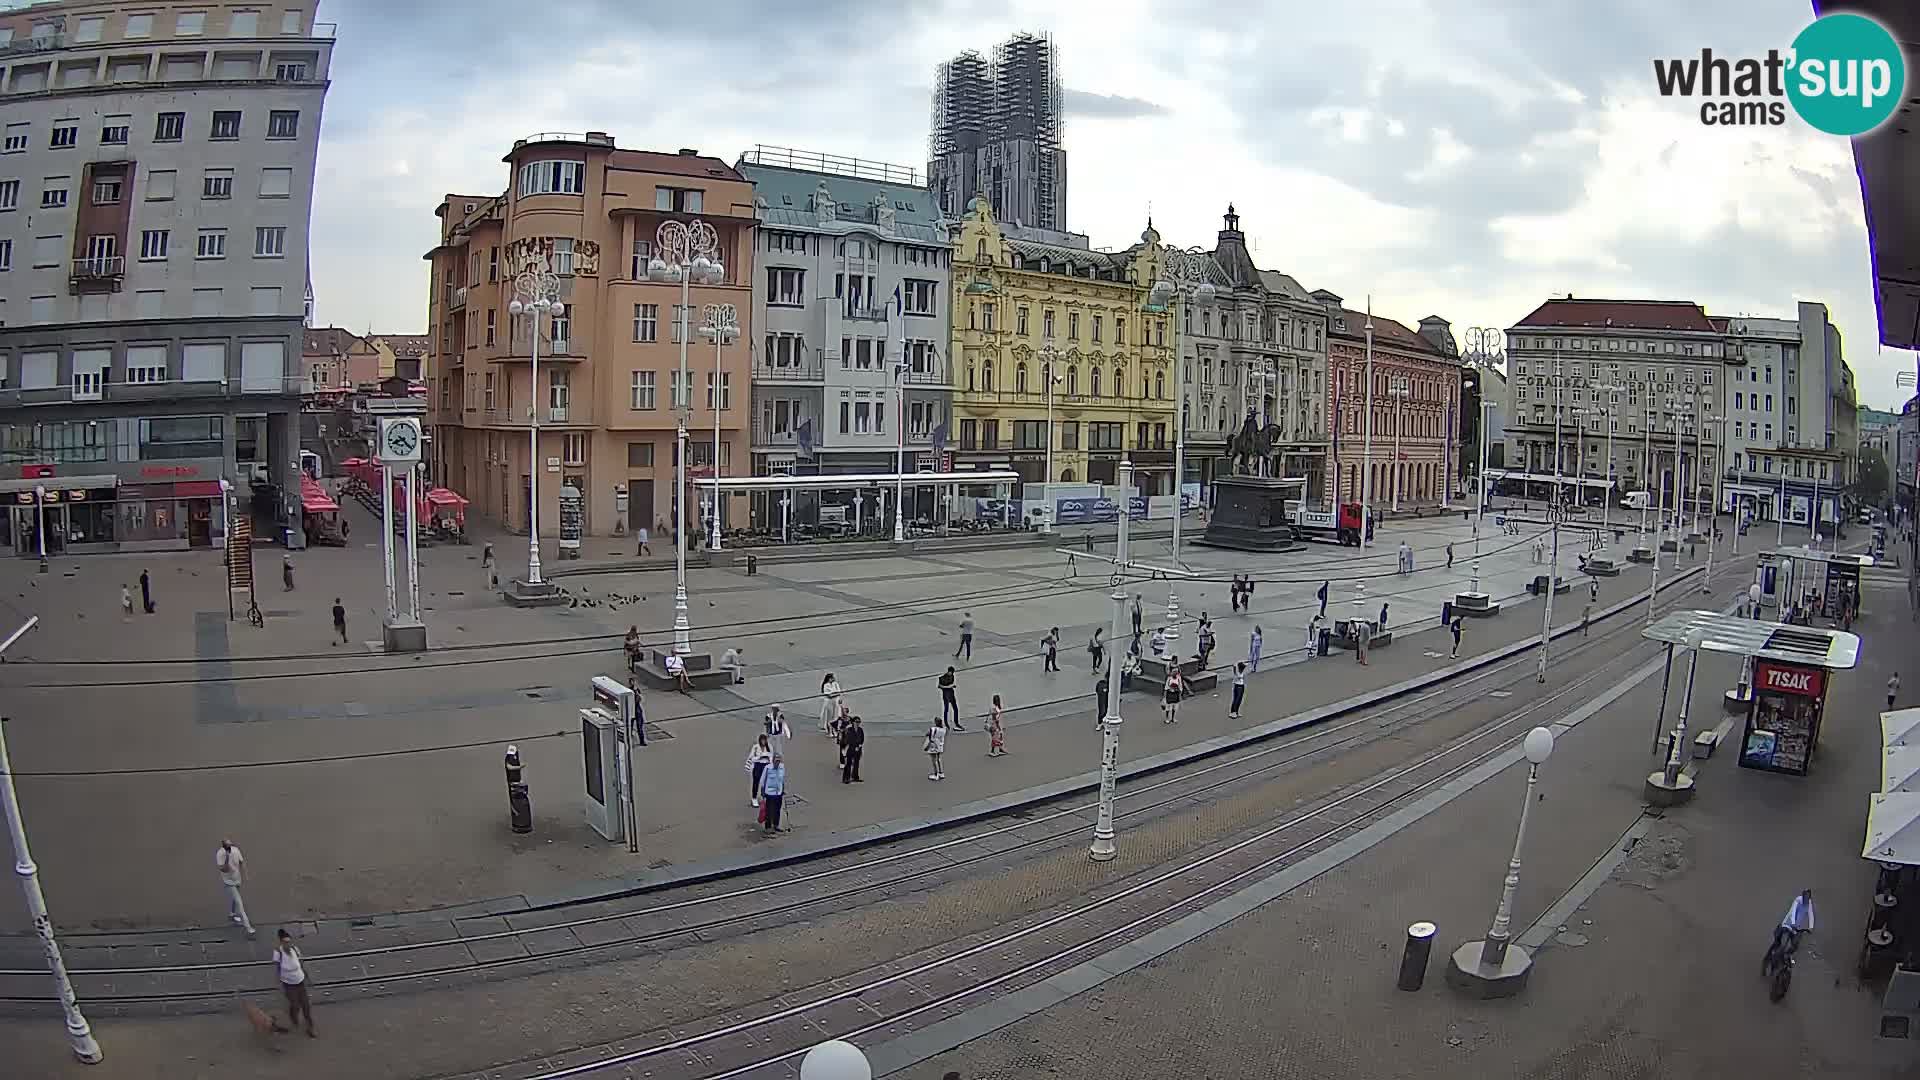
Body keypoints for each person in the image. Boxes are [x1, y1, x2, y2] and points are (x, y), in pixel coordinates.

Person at [272, 929, 316, 1038]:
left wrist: (308, 977)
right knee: (295, 1005)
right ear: (281, 942)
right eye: (285, 942)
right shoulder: (278, 952)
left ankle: (310, 1027)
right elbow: (277, 968)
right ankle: (293, 1017)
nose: (288, 944)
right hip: (288, 984)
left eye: (289, 942)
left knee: (306, 1005)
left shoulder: (295, 950)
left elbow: (302, 964)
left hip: (300, 981)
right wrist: (279, 983)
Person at [1766, 889, 1815, 976]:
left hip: (1796, 928)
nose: (1806, 899)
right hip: (1788, 924)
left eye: (1808, 897)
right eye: (1805, 897)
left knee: (1794, 945)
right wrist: (1792, 923)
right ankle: (1772, 961)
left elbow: (1811, 914)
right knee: (1783, 944)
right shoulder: (1798, 900)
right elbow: (1793, 911)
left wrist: (1811, 927)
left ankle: (1785, 958)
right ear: (1803, 895)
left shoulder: (1809, 903)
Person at [216, 839, 255, 937]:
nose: (229, 848)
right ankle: (248, 927)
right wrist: (227, 858)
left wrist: (245, 874)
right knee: (239, 903)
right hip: (229, 882)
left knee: (234, 898)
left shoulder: (236, 850)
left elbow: (241, 862)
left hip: (237, 879)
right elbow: (224, 869)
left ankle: (232, 914)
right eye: (227, 847)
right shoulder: (220, 854)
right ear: (224, 847)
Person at [758, 754, 787, 831]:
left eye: (779, 760)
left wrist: (783, 789)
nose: (777, 762)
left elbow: (782, 780)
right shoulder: (768, 768)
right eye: (776, 760)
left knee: (777, 810)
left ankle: (776, 825)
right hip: (770, 793)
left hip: (778, 793)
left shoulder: (782, 767)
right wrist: (762, 793)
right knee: (769, 811)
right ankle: (768, 828)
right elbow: (762, 781)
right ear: (773, 761)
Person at [745, 735, 773, 806]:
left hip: (766, 765)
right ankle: (754, 798)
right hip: (758, 765)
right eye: (762, 740)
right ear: (760, 740)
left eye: (765, 740)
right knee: (756, 782)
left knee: (765, 782)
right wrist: (759, 757)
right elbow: (751, 758)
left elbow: (771, 756)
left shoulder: (769, 746)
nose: (763, 742)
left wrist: (768, 757)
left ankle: (763, 797)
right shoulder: (756, 747)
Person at [839, 716, 865, 782]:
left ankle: (855, 777)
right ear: (853, 722)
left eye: (859, 722)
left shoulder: (860, 730)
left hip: (858, 749)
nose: (858, 723)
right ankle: (846, 779)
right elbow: (847, 740)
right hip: (850, 749)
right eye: (857, 722)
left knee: (856, 764)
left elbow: (862, 739)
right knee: (848, 764)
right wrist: (844, 749)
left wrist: (859, 746)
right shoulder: (849, 729)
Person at [924, 716, 948, 781]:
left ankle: (935, 774)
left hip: (933, 746)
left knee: (933, 760)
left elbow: (927, 734)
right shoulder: (944, 729)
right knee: (938, 759)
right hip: (940, 746)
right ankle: (941, 773)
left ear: (936, 722)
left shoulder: (933, 729)